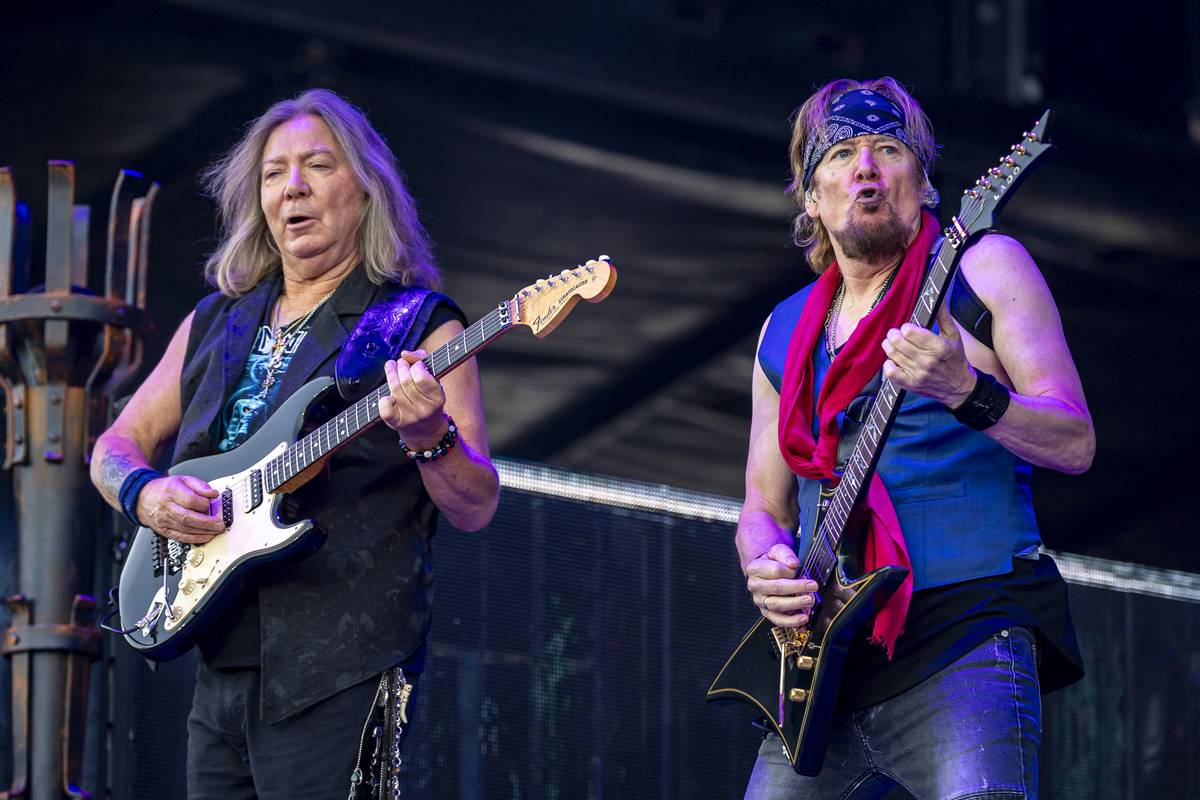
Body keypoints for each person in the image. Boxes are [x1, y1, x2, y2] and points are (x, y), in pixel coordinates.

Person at [90, 88, 499, 799]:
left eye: (318, 165)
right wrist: (145, 494)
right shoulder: (214, 323)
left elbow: (476, 505)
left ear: (366, 190)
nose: (294, 187)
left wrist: (430, 435)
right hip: (219, 658)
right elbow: (113, 447)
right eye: (274, 173)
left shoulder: (418, 326)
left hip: (342, 664)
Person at [737, 77, 1093, 800]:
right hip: (825, 670)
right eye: (841, 154)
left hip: (967, 636)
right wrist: (765, 562)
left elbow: (1074, 440)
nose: (865, 168)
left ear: (925, 184)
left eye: (888, 149)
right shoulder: (782, 331)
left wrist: (968, 390)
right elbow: (762, 507)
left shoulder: (982, 268)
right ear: (811, 199)